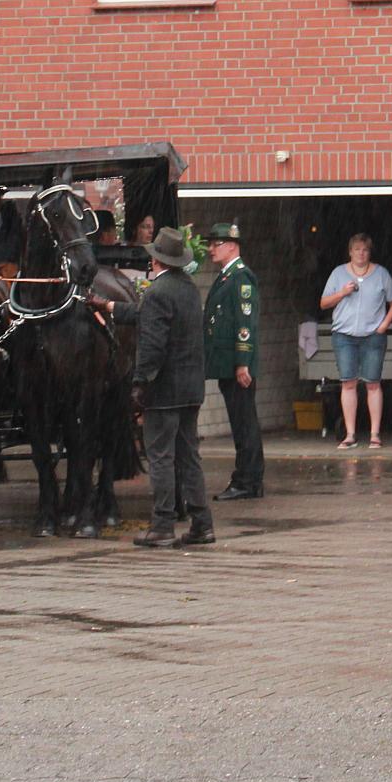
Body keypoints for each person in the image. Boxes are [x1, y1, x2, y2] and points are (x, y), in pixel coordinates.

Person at [129, 227, 213, 548]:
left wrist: (140, 382)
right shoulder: (188, 288)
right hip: (190, 389)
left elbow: (153, 345)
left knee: (161, 457)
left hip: (164, 391)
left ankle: (163, 524)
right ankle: (202, 523)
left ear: (156, 261)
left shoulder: (156, 293)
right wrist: (109, 308)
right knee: (189, 457)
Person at [320, 232, 392, 448]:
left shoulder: (381, 274)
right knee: (348, 383)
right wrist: (342, 293)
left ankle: (375, 434)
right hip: (344, 335)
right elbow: (324, 303)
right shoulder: (338, 273)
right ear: (350, 252)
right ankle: (350, 434)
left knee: (373, 383)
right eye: (357, 249)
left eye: (365, 250)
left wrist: (384, 325)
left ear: (369, 252)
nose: (361, 253)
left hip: (373, 335)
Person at [202, 222, 264, 501]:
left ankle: (247, 480)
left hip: (237, 365)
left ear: (231, 246)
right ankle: (248, 479)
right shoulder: (227, 276)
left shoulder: (241, 277)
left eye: (216, 244)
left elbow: (244, 323)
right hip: (227, 364)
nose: (211, 249)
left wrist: (242, 362)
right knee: (242, 422)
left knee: (244, 423)